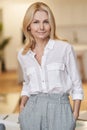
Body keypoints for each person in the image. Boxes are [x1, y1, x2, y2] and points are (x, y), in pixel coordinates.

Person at [17, 2, 84, 130]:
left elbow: (77, 85)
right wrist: (22, 106)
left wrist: (74, 114)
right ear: (28, 26)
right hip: (32, 109)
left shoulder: (64, 49)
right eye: (36, 22)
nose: (41, 27)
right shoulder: (23, 54)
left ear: (51, 25)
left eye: (46, 22)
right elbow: (27, 83)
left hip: (60, 108)